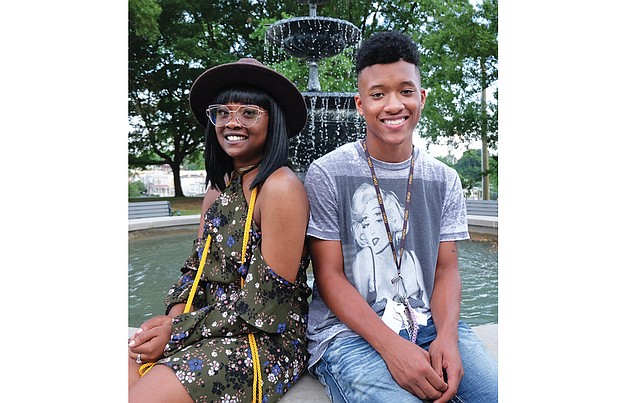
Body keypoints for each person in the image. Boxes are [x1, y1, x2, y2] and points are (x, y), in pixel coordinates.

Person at [303, 31, 498, 403]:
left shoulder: (444, 179)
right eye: (378, 94)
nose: (393, 104)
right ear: (360, 104)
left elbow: (446, 270)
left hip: (427, 324)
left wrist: (447, 338)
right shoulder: (328, 172)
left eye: (406, 91)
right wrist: (394, 349)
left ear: (421, 97)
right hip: (348, 335)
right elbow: (329, 275)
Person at [128, 58, 312, 403]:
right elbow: (194, 269)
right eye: (223, 112)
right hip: (207, 327)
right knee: (126, 366)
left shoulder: (280, 188)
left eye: (248, 113)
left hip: (264, 340)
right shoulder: (216, 190)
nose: (233, 122)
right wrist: (171, 320)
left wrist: (178, 331)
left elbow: (265, 305)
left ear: (273, 120)